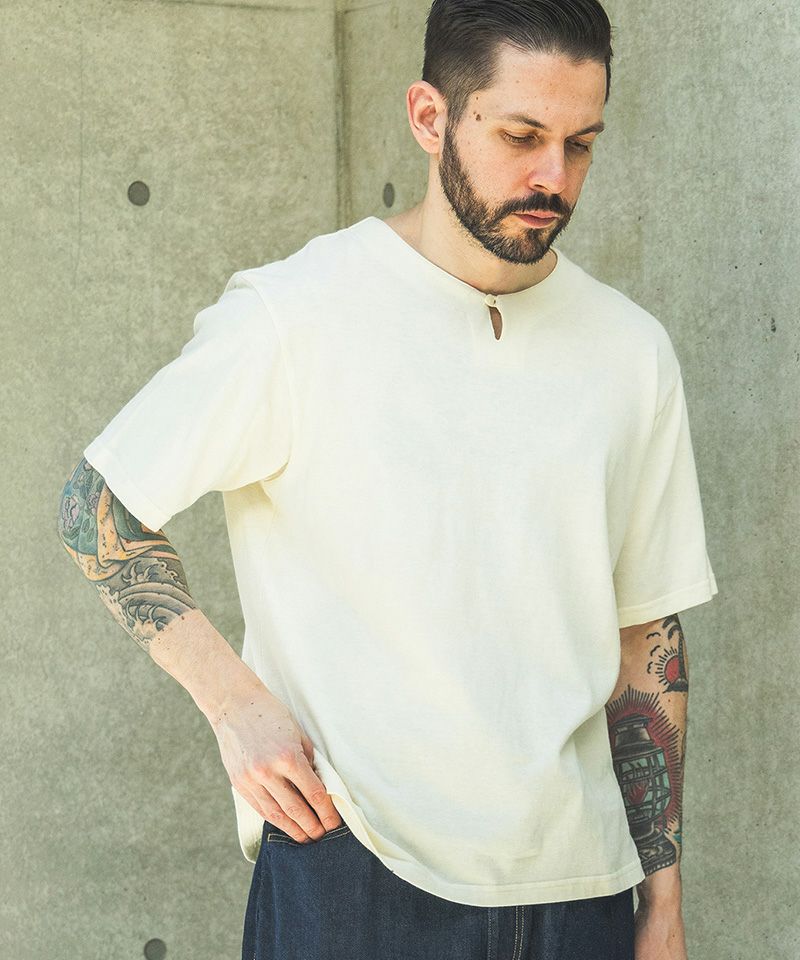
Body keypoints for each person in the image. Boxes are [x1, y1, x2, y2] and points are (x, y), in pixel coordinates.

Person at [58, 1, 718, 957]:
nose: (554, 176)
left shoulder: (631, 351)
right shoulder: (297, 316)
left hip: (582, 887)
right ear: (428, 116)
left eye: (581, 144)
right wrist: (235, 704)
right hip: (354, 868)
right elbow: (99, 502)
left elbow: (647, 639)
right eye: (522, 136)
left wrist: (662, 903)